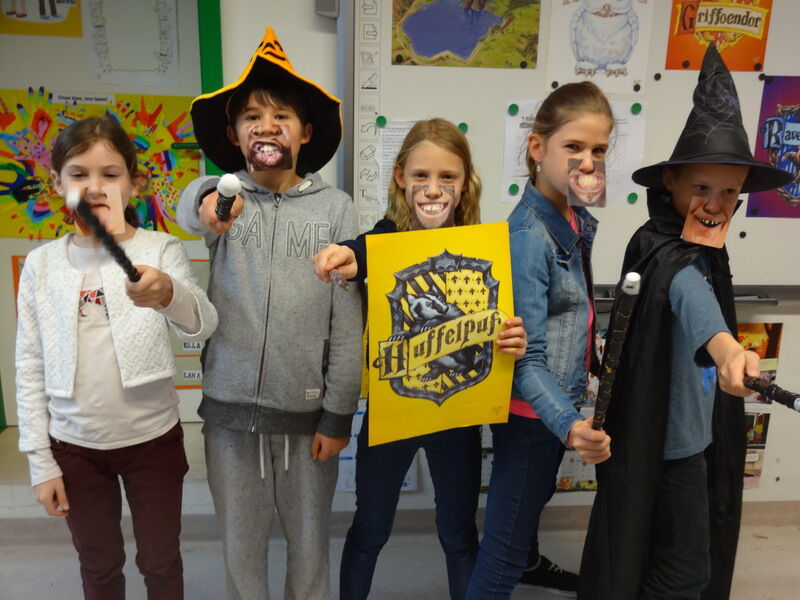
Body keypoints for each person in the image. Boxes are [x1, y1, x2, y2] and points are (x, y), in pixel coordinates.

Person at [579, 45, 793, 600]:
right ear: (670, 182)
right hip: (670, 443)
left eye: (729, 192)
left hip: (690, 434)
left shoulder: (698, 249)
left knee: (656, 554)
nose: (715, 204)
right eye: (701, 188)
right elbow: (691, 298)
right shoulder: (666, 253)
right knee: (685, 574)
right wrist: (729, 351)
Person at [176, 27, 362, 600]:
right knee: (241, 553)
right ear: (234, 135)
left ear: (305, 132)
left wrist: (338, 415)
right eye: (252, 116)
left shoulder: (337, 210)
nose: (266, 124)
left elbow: (347, 324)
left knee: (310, 554)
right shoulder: (225, 202)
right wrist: (208, 199)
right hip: (229, 418)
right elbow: (190, 205)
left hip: (308, 421)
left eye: (282, 115)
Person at [313, 118, 528, 600]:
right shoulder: (386, 238)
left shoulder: (484, 249)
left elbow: (505, 321)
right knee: (370, 530)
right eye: (421, 176)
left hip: (458, 415)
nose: (433, 189)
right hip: (395, 411)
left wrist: (514, 337)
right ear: (400, 177)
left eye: (447, 176)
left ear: (465, 181)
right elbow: (361, 252)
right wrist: (343, 255)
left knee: (459, 534)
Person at [15, 115, 218, 600]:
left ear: (133, 183)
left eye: (110, 174)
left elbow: (202, 323)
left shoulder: (159, 249)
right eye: (78, 174)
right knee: (99, 566)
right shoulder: (42, 265)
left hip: (153, 443)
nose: (95, 187)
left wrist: (167, 293)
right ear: (58, 185)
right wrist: (41, 462)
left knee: (161, 562)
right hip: (74, 447)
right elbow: (29, 364)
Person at [463, 82, 613, 599]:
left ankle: (528, 560)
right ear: (537, 148)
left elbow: (572, 314)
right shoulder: (528, 237)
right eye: (573, 147)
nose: (587, 162)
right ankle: (517, 562)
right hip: (534, 414)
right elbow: (527, 360)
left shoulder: (571, 216)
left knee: (530, 505)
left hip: (555, 406)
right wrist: (570, 424)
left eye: (599, 149)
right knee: (500, 553)